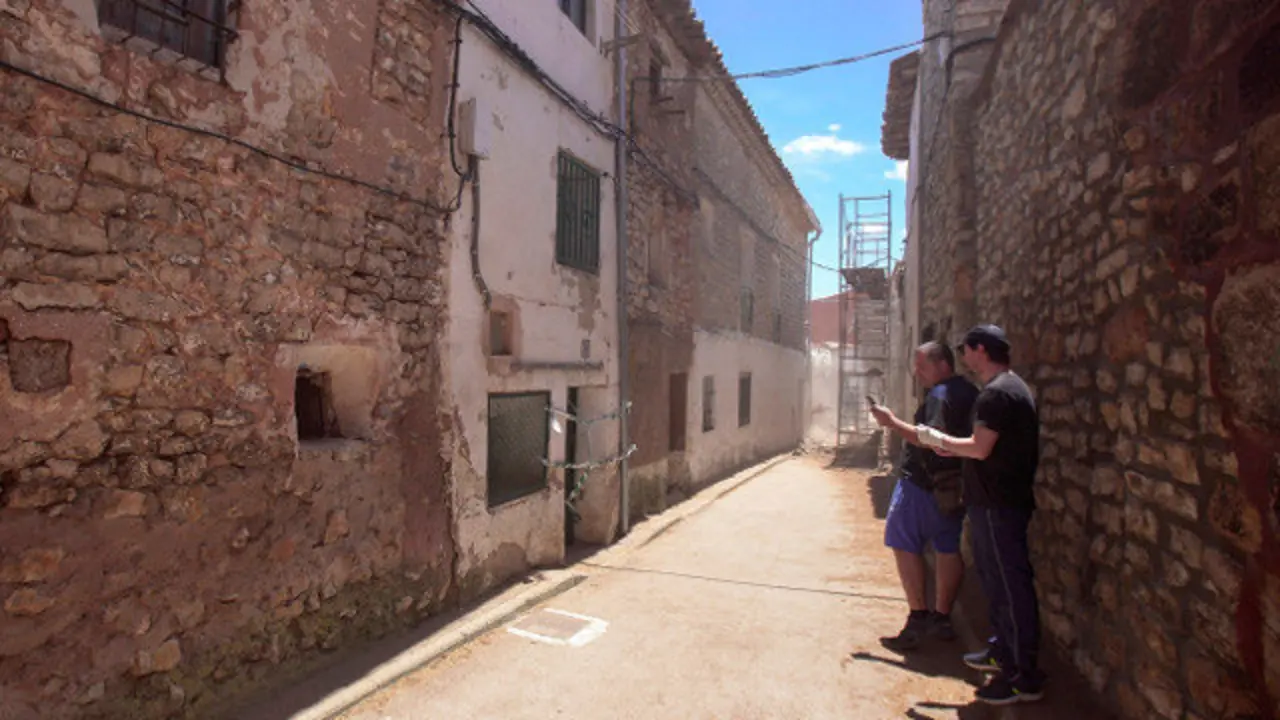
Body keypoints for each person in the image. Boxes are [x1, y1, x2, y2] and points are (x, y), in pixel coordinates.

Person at [915, 324, 1044, 706]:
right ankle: (1003, 653)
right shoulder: (1006, 389)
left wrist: (938, 441)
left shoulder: (998, 394)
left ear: (980, 351)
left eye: (966, 349)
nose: (964, 356)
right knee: (997, 583)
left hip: (1000, 506)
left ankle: (1023, 676)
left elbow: (980, 448)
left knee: (1010, 588)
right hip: (995, 505)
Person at [869, 342, 978, 652]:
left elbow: (928, 438)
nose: (917, 374)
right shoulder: (968, 392)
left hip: (923, 484)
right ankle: (941, 617)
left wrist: (891, 422)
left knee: (902, 541)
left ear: (943, 364)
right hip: (954, 486)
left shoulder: (940, 396)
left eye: (922, 366)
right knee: (947, 546)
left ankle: (918, 616)